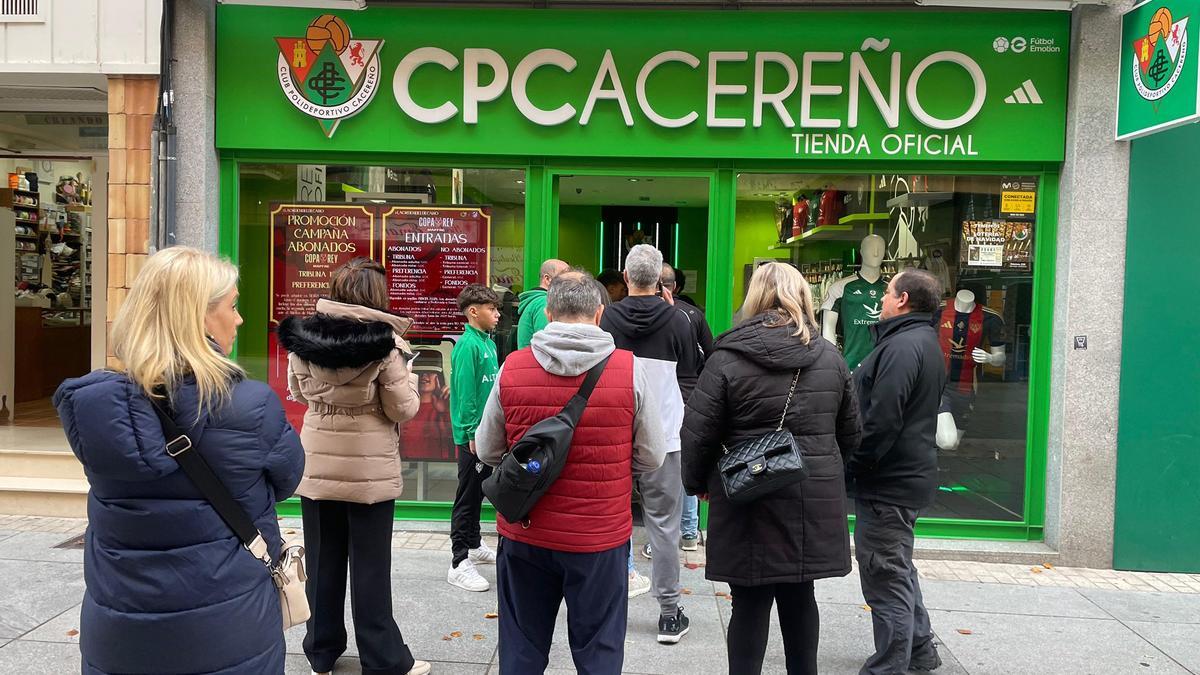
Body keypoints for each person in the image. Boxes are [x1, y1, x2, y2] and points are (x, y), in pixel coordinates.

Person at [53, 246, 305, 674]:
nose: (240, 319)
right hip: (227, 629)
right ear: (200, 316)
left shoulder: (96, 408)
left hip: (120, 630)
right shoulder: (249, 404)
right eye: (233, 306)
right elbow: (287, 479)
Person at [476, 271, 668, 673]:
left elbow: (490, 449)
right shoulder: (628, 369)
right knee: (599, 650)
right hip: (600, 539)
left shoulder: (513, 367)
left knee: (521, 648)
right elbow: (652, 456)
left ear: (547, 312)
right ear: (600, 313)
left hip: (526, 533)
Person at [680, 262, 862, 675]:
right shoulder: (830, 358)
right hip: (810, 498)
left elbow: (697, 433)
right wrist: (824, 472)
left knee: (748, 602)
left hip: (747, 495)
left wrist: (698, 483)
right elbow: (851, 434)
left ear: (755, 298)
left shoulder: (726, 358)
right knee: (801, 596)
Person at [278, 257, 431, 675]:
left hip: (317, 462)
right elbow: (402, 410)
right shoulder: (387, 346)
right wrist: (411, 378)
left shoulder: (303, 337)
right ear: (376, 298)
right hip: (370, 470)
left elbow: (298, 393)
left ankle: (321, 653)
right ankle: (383, 659)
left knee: (324, 563)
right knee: (371, 569)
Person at [600, 244, 703, 644]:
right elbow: (691, 379)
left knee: (613, 521)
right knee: (664, 525)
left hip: (613, 434)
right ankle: (668, 612)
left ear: (626, 278)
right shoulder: (679, 320)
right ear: (660, 279)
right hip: (665, 436)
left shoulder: (606, 317)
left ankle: (610, 607)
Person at [848, 269, 947, 675]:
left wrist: (856, 465)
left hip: (889, 482)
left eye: (888, 293)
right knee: (897, 567)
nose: (882, 299)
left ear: (903, 300)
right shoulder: (920, 342)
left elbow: (883, 419)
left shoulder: (904, 347)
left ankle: (890, 666)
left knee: (884, 574)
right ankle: (921, 651)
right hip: (902, 478)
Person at [447, 284, 503, 592]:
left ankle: (474, 542)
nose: (497, 314)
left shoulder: (488, 344)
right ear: (473, 311)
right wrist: (470, 432)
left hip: (487, 434)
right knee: (467, 496)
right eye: (491, 309)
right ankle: (458, 561)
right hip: (473, 437)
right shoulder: (467, 346)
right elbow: (466, 395)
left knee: (480, 491)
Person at [659, 262, 714, 552]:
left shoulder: (642, 316)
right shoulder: (693, 315)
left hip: (656, 397)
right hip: (688, 395)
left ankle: (664, 535)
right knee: (683, 461)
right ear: (675, 287)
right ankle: (690, 531)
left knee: (658, 466)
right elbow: (711, 354)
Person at [517, 258, 570, 348]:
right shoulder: (544, 302)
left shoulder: (537, 301)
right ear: (547, 279)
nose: (570, 280)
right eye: (564, 275)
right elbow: (548, 344)